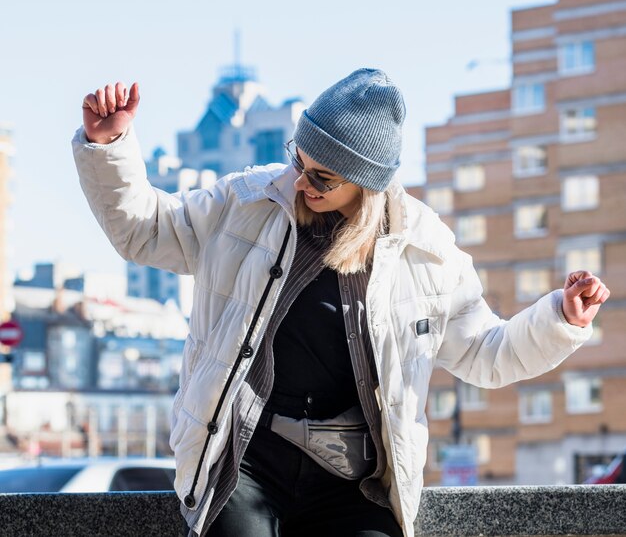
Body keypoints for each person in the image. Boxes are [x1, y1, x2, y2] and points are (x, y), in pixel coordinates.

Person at [74, 68, 610, 537]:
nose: (301, 181)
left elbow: (486, 354)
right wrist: (109, 146)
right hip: (247, 456)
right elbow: (147, 231)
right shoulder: (245, 202)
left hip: (353, 478)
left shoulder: (424, 248)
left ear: (366, 182)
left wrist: (560, 318)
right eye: (298, 160)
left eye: (322, 177)